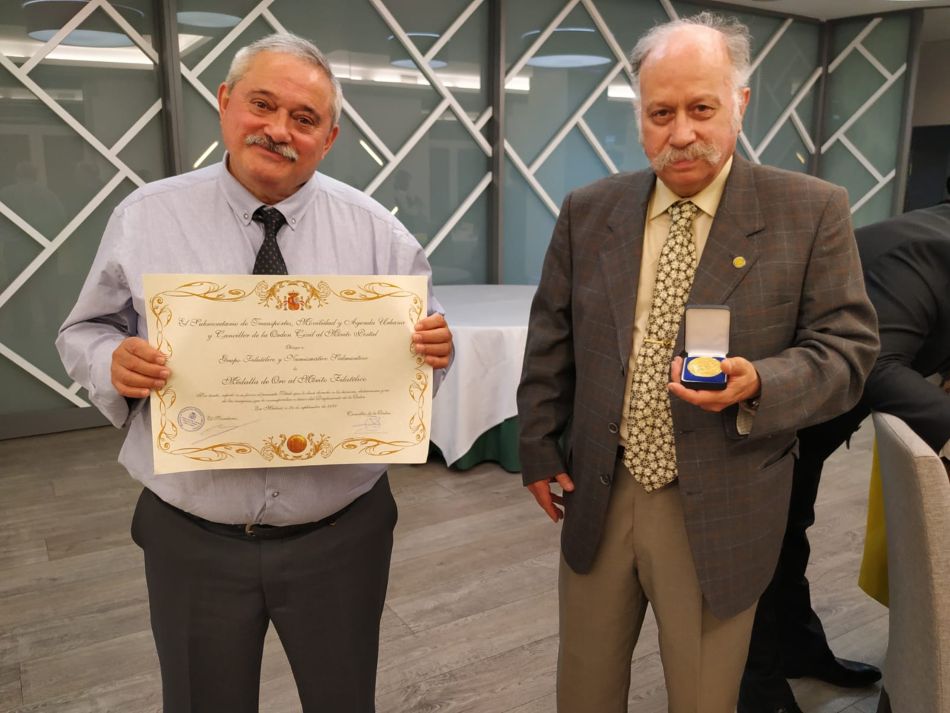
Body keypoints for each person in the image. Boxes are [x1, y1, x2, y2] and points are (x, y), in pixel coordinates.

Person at [56, 33, 452, 713]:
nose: (278, 130)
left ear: (329, 137)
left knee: (343, 697)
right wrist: (110, 361)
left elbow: (422, 363)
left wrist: (433, 355)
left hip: (341, 535)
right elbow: (83, 330)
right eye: (261, 105)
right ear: (224, 103)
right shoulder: (147, 217)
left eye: (303, 119)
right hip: (192, 535)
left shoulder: (379, 234)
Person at [516, 12, 879, 713]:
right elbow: (552, 336)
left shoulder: (810, 211)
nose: (680, 132)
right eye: (660, 112)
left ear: (740, 104)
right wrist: (536, 444)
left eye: (701, 108)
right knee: (583, 688)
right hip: (601, 484)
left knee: (705, 694)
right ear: (640, 116)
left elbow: (849, 346)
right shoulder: (590, 212)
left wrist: (762, 381)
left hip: (722, 496)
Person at [741, 195, 950, 713]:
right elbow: (877, 363)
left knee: (791, 530)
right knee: (758, 549)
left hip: (815, 407)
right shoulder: (927, 251)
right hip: (767, 404)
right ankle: (757, 690)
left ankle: (796, 648)